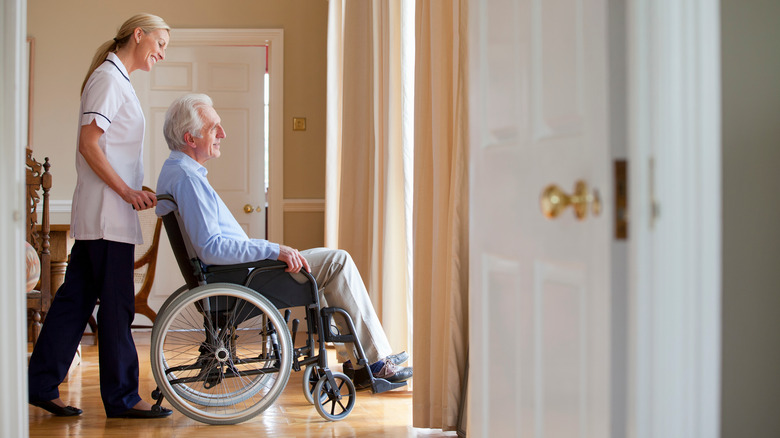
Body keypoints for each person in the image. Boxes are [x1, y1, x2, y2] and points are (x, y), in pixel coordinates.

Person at [155, 93, 413, 389]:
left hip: (239, 275)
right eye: (215, 128)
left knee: (327, 266)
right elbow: (212, 248)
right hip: (243, 281)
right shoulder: (187, 179)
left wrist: (271, 251)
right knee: (336, 261)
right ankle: (374, 363)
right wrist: (274, 250)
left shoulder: (178, 172)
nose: (223, 134)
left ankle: (360, 360)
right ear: (190, 138)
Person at [28, 14, 173, 419]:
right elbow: (90, 145)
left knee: (74, 302)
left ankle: (40, 383)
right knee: (116, 307)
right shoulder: (109, 79)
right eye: (160, 43)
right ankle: (123, 397)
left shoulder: (115, 79)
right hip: (108, 215)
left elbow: (106, 147)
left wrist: (131, 188)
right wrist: (126, 191)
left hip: (105, 214)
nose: (162, 53)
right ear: (138, 35)